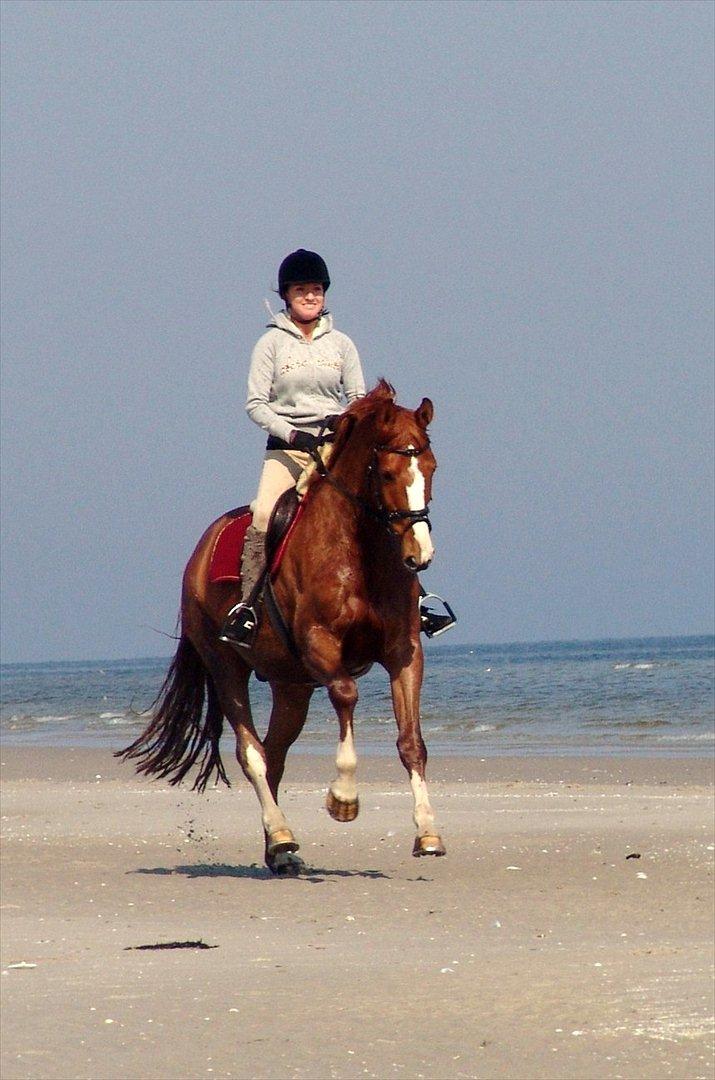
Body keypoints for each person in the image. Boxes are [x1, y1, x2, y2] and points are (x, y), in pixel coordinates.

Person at [219, 249, 365, 647]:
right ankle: (248, 608)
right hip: (287, 448)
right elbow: (255, 404)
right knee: (264, 514)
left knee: (379, 507)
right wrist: (291, 433)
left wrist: (344, 422)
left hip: (334, 448)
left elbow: (358, 397)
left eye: (316, 289)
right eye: (302, 290)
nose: (310, 296)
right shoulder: (270, 344)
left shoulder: (342, 345)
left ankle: (415, 601)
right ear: (286, 295)